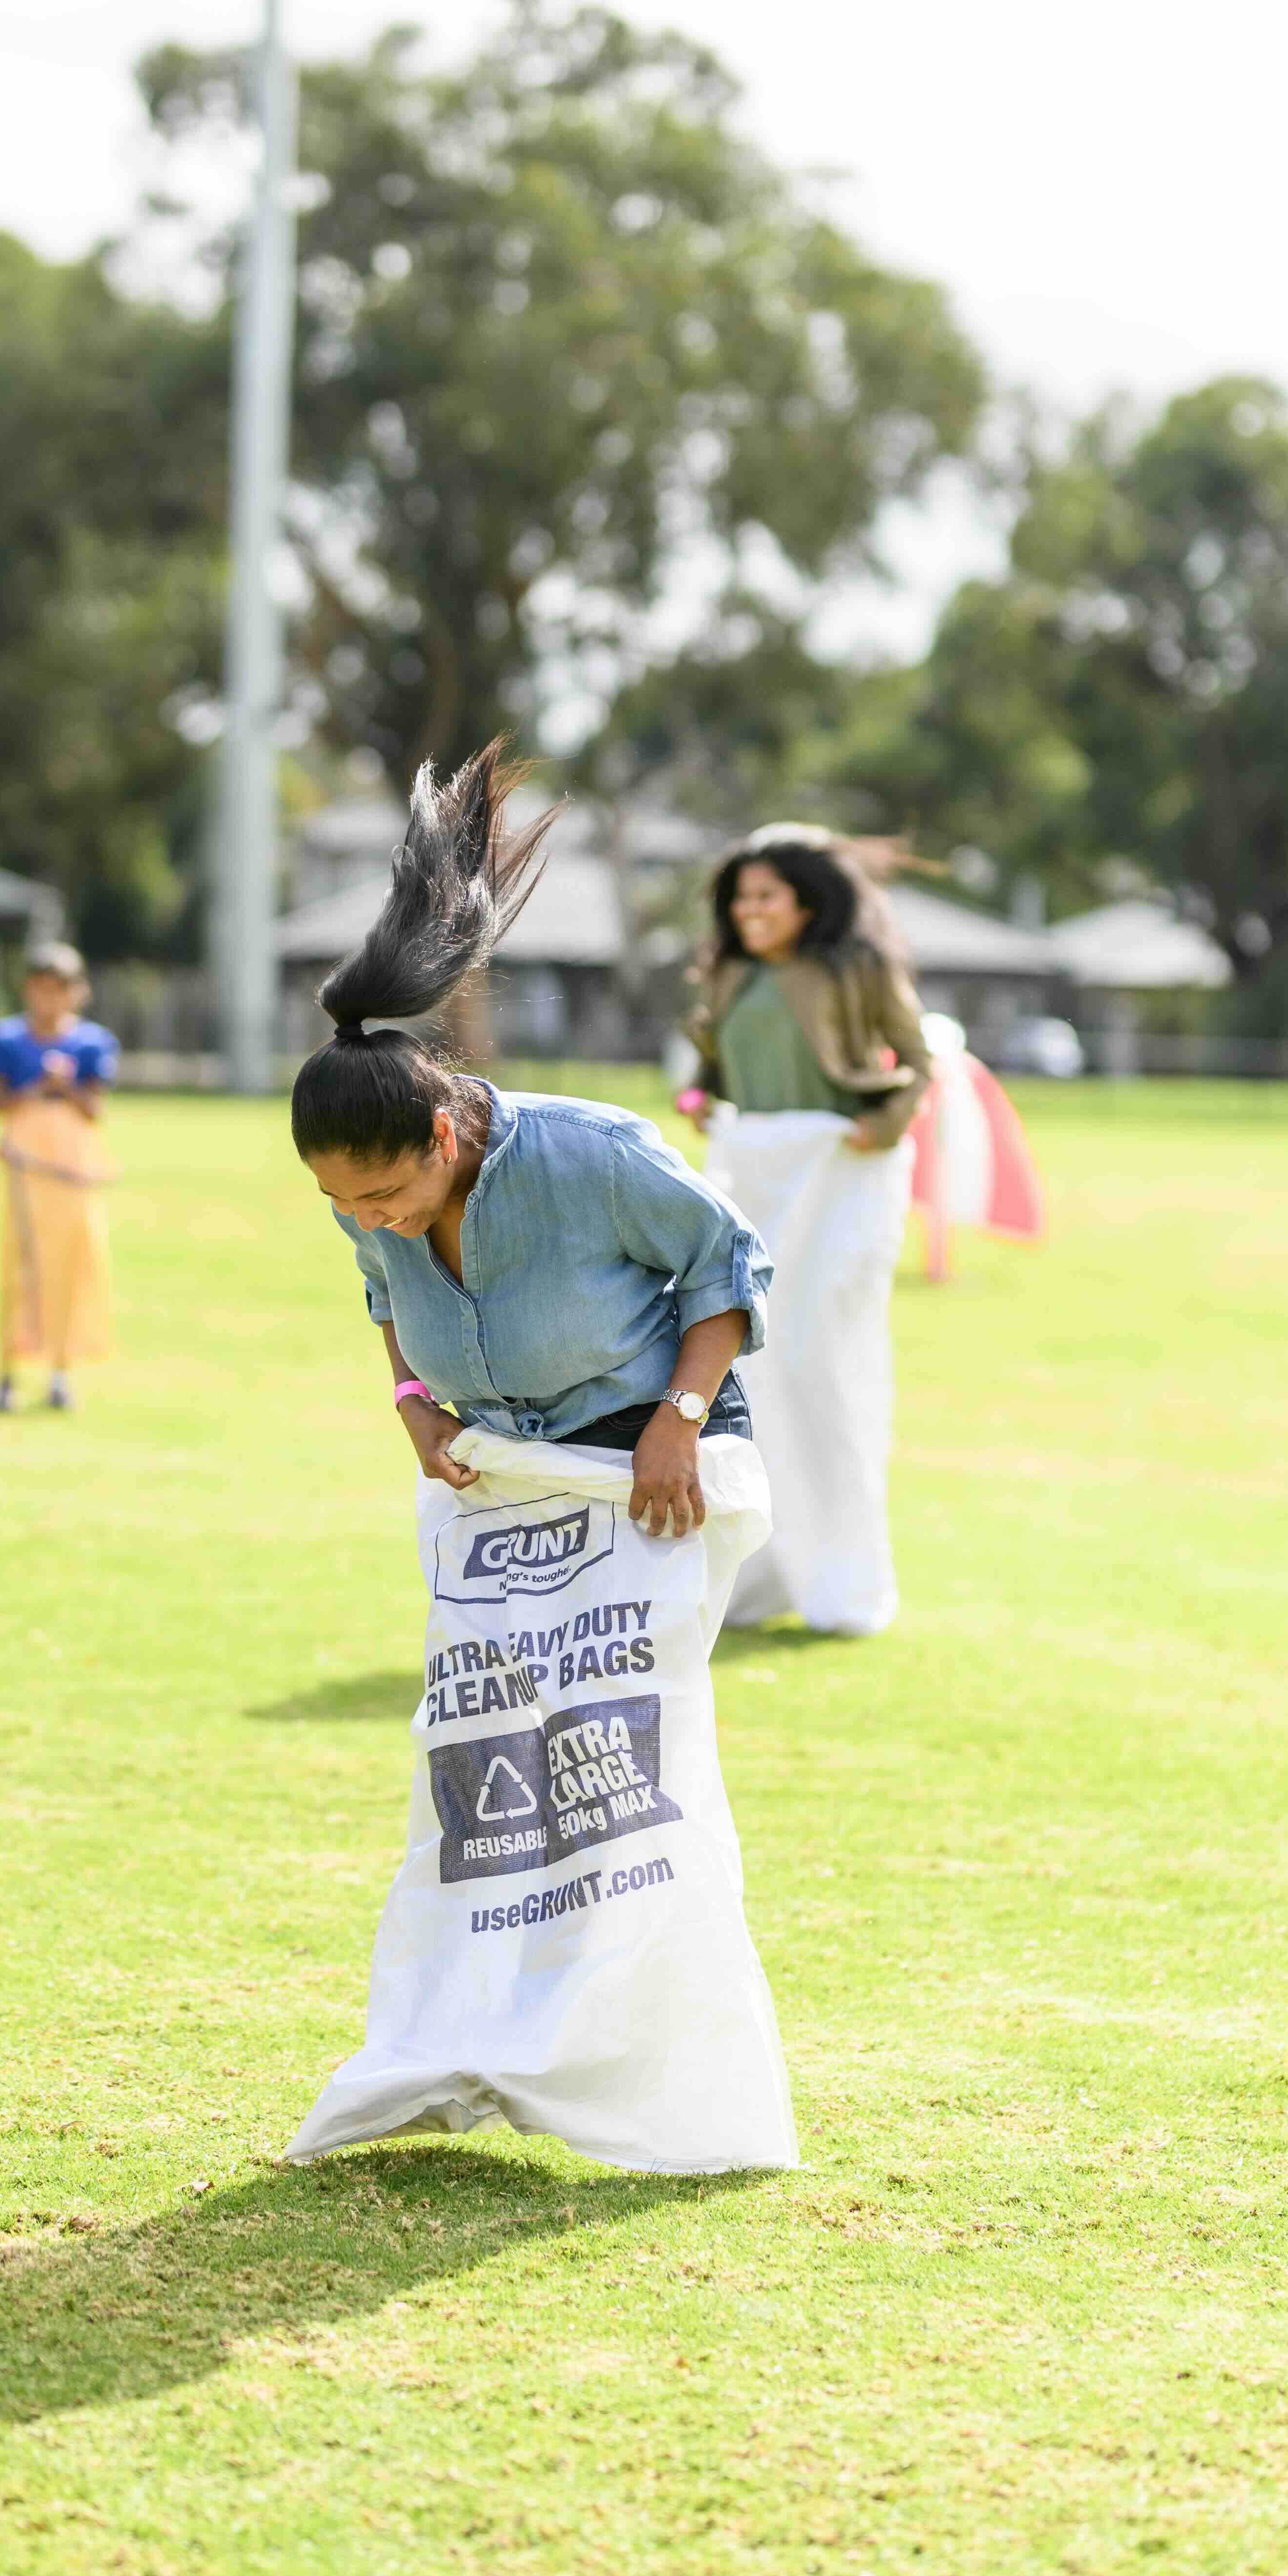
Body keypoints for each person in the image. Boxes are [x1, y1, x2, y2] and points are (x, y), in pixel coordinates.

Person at [283, 743, 796, 2177]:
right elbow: (392, 1310)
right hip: (503, 1486)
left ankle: (633, 2059)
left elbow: (727, 1274)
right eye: (343, 1205)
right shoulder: (368, 1201)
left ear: (449, 1128)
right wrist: (413, 1404)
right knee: (486, 1761)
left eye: (389, 1191)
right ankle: (475, 2041)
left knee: (626, 1768)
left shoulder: (592, 1154)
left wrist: (674, 1428)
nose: (372, 1220)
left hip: (651, 1474)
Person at [682, 822, 934, 1637]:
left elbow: (915, 1064)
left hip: (836, 1184)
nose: (749, 911)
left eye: (765, 896)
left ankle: (842, 1578)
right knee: (749, 1373)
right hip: (752, 1179)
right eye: (740, 898)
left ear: (805, 901)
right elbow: (711, 1066)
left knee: (818, 1363)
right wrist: (698, 1099)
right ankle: (758, 1575)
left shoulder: (855, 967)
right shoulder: (729, 973)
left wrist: (878, 1126)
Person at [0, 943, 119, 1412]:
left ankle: (61, 1370)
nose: (49, 1001)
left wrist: (67, 1087)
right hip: (25, 1161)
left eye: (59, 991)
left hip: (73, 1165)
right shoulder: (7, 1038)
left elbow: (94, 1108)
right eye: (41, 990)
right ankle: (9, 1372)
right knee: (21, 1263)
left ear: (77, 993)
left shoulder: (91, 1042)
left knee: (74, 1263)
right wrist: (37, 1088)